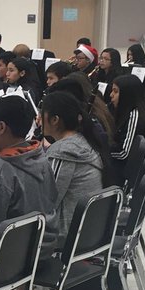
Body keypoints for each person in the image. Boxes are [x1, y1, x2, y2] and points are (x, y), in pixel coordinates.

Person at [0, 95, 59, 259]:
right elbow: (53, 198)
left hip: (15, 260)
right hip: (44, 247)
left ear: (1, 127)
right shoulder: (41, 157)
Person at [41, 90, 109, 237]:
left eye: (42, 114)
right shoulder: (82, 140)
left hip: (66, 233)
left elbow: (48, 200)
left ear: (55, 120)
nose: (39, 120)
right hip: (89, 228)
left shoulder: (63, 151)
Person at [108, 74, 145, 186]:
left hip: (122, 173)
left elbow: (123, 152)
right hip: (118, 167)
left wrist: (100, 151)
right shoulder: (124, 111)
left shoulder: (134, 115)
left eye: (115, 91)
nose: (111, 95)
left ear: (127, 95)